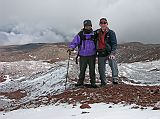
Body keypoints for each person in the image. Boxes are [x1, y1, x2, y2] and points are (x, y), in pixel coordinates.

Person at [67, 20, 98, 88]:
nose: (88, 27)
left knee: (92, 70)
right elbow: (75, 42)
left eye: (89, 26)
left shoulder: (94, 34)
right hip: (83, 55)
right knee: (82, 70)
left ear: (91, 26)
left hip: (92, 55)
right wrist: (71, 48)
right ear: (84, 26)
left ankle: (93, 83)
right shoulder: (80, 34)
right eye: (86, 26)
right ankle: (80, 82)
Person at [94, 18, 119, 86]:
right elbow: (90, 35)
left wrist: (113, 53)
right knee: (101, 69)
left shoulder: (111, 33)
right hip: (100, 53)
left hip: (108, 52)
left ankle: (115, 79)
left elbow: (114, 43)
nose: (103, 24)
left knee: (113, 61)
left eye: (104, 23)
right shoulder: (96, 32)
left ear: (107, 24)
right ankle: (103, 82)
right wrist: (83, 31)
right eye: (101, 23)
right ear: (99, 24)